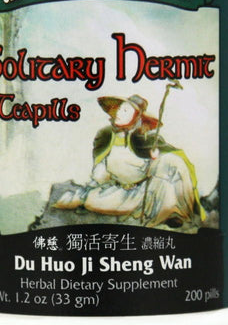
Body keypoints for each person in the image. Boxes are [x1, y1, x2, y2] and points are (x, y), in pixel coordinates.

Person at [53, 94, 206, 228]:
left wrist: (156, 157)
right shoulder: (107, 136)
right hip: (120, 192)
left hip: (147, 190)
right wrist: (89, 189)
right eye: (120, 109)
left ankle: (172, 213)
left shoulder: (146, 139)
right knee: (91, 201)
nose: (119, 113)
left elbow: (159, 167)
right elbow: (101, 171)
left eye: (126, 111)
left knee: (170, 162)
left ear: (137, 117)